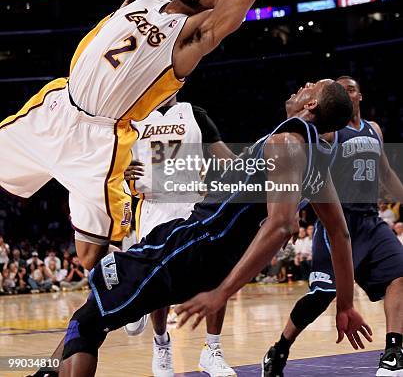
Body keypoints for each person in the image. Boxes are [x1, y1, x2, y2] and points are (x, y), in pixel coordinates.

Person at [1, 0, 320, 272]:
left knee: (88, 256)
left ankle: (121, 284)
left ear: (212, 9)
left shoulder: (192, 37)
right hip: (56, 108)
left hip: (101, 140)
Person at [59, 79, 372, 377]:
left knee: (86, 324)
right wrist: (345, 303)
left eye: (311, 85)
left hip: (191, 244)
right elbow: (338, 233)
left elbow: (283, 223)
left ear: (312, 103)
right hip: (204, 251)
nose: (304, 86)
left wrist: (222, 293)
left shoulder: (286, 142)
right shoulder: (317, 156)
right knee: (91, 315)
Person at [263, 75, 403, 377]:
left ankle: (394, 352)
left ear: (359, 96)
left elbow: (387, 173)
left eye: (350, 88)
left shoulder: (374, 130)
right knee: (321, 296)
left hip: (370, 221)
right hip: (338, 223)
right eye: (340, 90)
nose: (346, 93)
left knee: (400, 276)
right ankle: (280, 349)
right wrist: (286, 213)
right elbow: (305, 169)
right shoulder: (328, 132)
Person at [123, 96, 237, 377]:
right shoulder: (133, 116)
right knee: (159, 285)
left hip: (193, 203)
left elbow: (229, 161)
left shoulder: (195, 115)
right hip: (154, 204)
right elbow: (113, 163)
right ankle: (161, 344)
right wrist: (120, 171)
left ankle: (212, 350)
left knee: (216, 274)